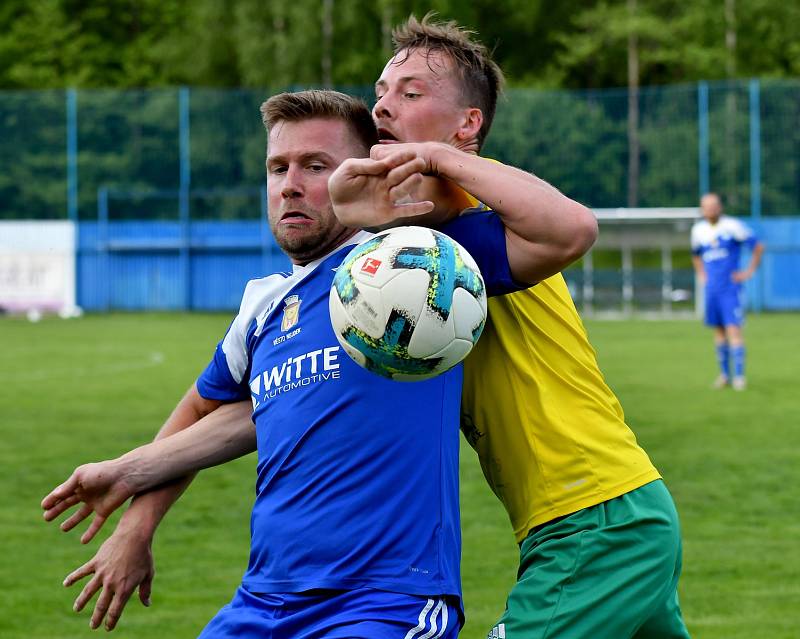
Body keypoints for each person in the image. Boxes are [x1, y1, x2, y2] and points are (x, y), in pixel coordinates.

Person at [46, 14, 690, 639]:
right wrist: (136, 487)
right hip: (580, 517)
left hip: (592, 515)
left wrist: (426, 159)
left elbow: (572, 227)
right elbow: (242, 409)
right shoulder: (368, 267)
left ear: (470, 124)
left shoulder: (450, 242)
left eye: (409, 94)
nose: (384, 107)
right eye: (380, 93)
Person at [691, 192, 764, 391]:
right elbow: (696, 255)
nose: (711, 209)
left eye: (714, 205)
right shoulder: (698, 230)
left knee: (733, 330)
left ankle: (739, 377)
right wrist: (702, 275)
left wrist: (748, 272)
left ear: (720, 207)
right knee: (719, 331)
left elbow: (758, 246)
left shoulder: (732, 226)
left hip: (730, 289)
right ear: (702, 209)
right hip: (712, 289)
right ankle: (724, 375)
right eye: (706, 206)